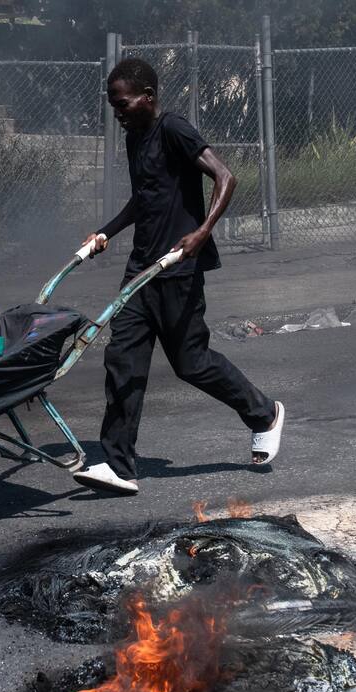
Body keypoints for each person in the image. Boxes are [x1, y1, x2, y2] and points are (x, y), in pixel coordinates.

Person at [72, 57, 285, 496]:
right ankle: (119, 465)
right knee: (123, 360)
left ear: (147, 98)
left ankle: (263, 414)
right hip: (141, 270)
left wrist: (202, 232)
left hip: (177, 268)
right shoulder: (135, 138)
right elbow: (143, 198)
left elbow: (226, 177)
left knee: (192, 363)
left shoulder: (174, 128)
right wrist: (105, 233)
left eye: (123, 103)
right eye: (113, 105)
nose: (118, 112)